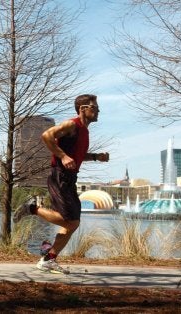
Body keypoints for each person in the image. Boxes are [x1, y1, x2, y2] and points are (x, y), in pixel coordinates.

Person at [13, 94, 109, 274]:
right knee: (69, 221)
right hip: (60, 177)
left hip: (70, 178)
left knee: (72, 224)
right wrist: (62, 156)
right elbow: (46, 135)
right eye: (94, 107)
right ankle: (32, 209)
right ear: (82, 109)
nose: (97, 111)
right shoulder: (72, 125)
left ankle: (48, 259)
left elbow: (77, 156)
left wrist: (96, 157)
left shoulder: (84, 131)